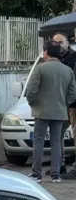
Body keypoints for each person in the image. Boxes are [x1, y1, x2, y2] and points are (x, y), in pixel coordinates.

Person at [26, 39, 76, 183]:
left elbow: (31, 90)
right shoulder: (67, 70)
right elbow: (73, 94)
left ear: (46, 52)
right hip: (59, 111)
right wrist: (64, 104)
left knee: (39, 141)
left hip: (41, 111)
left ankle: (36, 173)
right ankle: (56, 174)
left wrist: (34, 104)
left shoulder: (40, 68)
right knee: (56, 141)